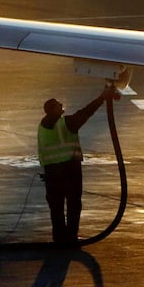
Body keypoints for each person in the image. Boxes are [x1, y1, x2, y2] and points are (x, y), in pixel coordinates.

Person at [37, 84, 116, 245]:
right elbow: (86, 112)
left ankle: (59, 238)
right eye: (58, 104)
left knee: (56, 207)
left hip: (51, 173)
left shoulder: (42, 126)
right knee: (73, 204)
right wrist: (102, 98)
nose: (61, 105)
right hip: (69, 170)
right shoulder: (66, 123)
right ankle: (71, 237)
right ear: (52, 110)